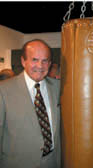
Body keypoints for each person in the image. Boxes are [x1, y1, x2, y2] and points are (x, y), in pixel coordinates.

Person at [0, 39, 61, 168]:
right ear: (23, 61)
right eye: (34, 59)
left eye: (45, 61)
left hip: (53, 162)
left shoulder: (58, 87)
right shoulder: (3, 90)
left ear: (50, 64)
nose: (40, 66)